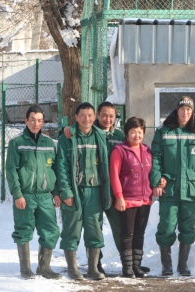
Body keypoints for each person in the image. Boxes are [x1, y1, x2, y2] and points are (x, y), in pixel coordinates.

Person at [63, 101, 132, 274]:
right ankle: (95, 265)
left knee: (109, 227)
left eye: (111, 116)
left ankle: (128, 265)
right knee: (79, 228)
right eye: (104, 115)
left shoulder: (119, 136)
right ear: (97, 117)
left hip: (109, 189)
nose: (108, 119)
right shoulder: (79, 134)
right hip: (84, 187)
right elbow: (63, 164)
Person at [150, 96, 195, 276]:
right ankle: (166, 265)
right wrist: (156, 181)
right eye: (182, 109)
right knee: (166, 228)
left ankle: (183, 264)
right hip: (168, 188)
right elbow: (156, 158)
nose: (185, 112)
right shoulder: (163, 131)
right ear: (176, 111)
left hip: (191, 189)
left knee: (188, 228)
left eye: (188, 109)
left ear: (192, 112)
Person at [56, 102, 111, 281]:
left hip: (95, 191)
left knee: (95, 229)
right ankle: (72, 268)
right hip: (75, 191)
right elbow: (61, 166)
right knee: (71, 229)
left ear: (94, 118)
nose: (87, 119)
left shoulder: (101, 136)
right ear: (76, 117)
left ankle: (93, 268)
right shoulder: (68, 137)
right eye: (83, 115)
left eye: (90, 116)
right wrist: (66, 192)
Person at [6, 104, 61, 280]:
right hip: (26, 196)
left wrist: (57, 193)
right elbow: (11, 170)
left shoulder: (49, 143)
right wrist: (18, 194)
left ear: (43, 122)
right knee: (24, 230)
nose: (36, 124)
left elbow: (56, 169)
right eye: (32, 120)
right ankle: (25, 268)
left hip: (45, 196)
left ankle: (44, 267)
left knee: (50, 230)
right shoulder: (17, 143)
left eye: (39, 120)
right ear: (26, 120)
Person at [109, 117, 153, 278]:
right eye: (133, 132)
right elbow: (114, 175)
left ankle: (136, 266)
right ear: (126, 134)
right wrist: (119, 197)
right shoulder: (119, 151)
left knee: (139, 233)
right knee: (127, 234)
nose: (137, 135)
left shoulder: (147, 150)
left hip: (145, 199)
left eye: (140, 132)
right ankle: (127, 267)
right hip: (127, 199)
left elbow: (151, 172)